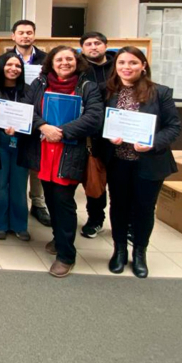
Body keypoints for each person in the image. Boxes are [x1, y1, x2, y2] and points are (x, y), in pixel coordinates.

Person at [16, 46, 103, 278]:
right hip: (43, 151)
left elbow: (94, 118)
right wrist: (43, 126)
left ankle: (66, 256)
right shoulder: (40, 84)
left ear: (77, 62)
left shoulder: (87, 86)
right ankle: (58, 238)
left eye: (69, 59)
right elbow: (26, 109)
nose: (64, 63)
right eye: (59, 59)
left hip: (69, 153)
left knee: (63, 202)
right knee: (51, 199)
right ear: (51, 63)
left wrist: (61, 132)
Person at [103, 47, 181, 278]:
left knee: (144, 209)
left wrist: (152, 143)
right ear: (115, 66)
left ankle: (139, 253)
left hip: (149, 162)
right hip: (118, 161)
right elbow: (97, 121)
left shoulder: (160, 93)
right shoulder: (107, 91)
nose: (127, 67)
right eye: (122, 63)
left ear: (143, 66)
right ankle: (119, 251)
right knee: (118, 206)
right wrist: (108, 135)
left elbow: (174, 127)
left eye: (133, 63)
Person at [0, 19, 50, 228]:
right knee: (2, 181)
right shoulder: (2, 61)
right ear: (13, 36)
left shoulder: (46, 60)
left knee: (27, 176)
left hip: (32, 125)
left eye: (29, 32)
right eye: (21, 32)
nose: (25, 36)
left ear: (34, 35)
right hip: (3, 131)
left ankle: (35, 207)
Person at [0, 55, 31, 241]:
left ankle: (19, 224)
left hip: (21, 140)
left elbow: (34, 113)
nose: (13, 68)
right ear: (1, 66)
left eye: (17, 65)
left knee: (19, 185)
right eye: (9, 64)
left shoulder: (28, 89)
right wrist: (1, 119)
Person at [79, 31, 115, 239]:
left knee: (121, 182)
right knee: (94, 180)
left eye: (98, 43)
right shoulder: (80, 69)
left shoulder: (118, 66)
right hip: (92, 134)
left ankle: (124, 223)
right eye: (89, 44)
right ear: (82, 49)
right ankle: (95, 219)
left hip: (120, 133)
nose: (93, 47)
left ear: (105, 46)